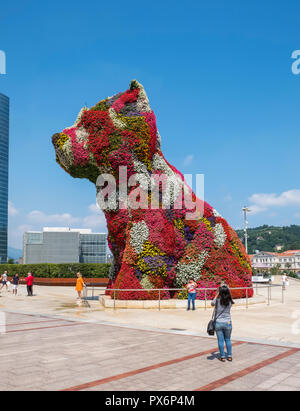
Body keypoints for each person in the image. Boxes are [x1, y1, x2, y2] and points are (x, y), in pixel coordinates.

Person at [211, 285, 235, 362]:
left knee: (220, 341)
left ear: (220, 292)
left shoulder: (217, 300)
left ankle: (222, 356)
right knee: (228, 339)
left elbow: (212, 303)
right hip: (228, 322)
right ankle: (229, 356)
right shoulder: (230, 301)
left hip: (218, 322)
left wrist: (216, 295)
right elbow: (229, 297)